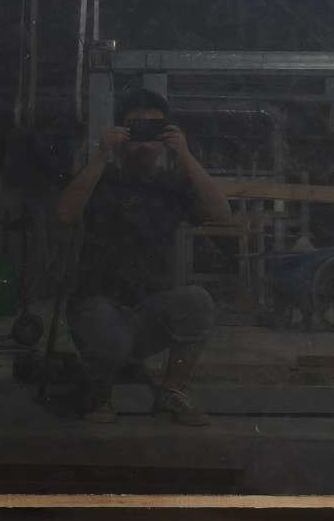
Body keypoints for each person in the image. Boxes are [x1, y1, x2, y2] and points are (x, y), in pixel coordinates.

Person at [56, 88, 232, 425]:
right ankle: (99, 394)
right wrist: (101, 155)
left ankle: (171, 392)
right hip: (96, 306)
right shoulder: (102, 178)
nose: (144, 142)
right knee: (108, 329)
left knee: (197, 302)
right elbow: (65, 215)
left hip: (148, 309)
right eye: (135, 130)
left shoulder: (170, 184)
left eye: (154, 131)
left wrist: (186, 156)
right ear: (122, 134)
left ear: (164, 137)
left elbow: (223, 216)